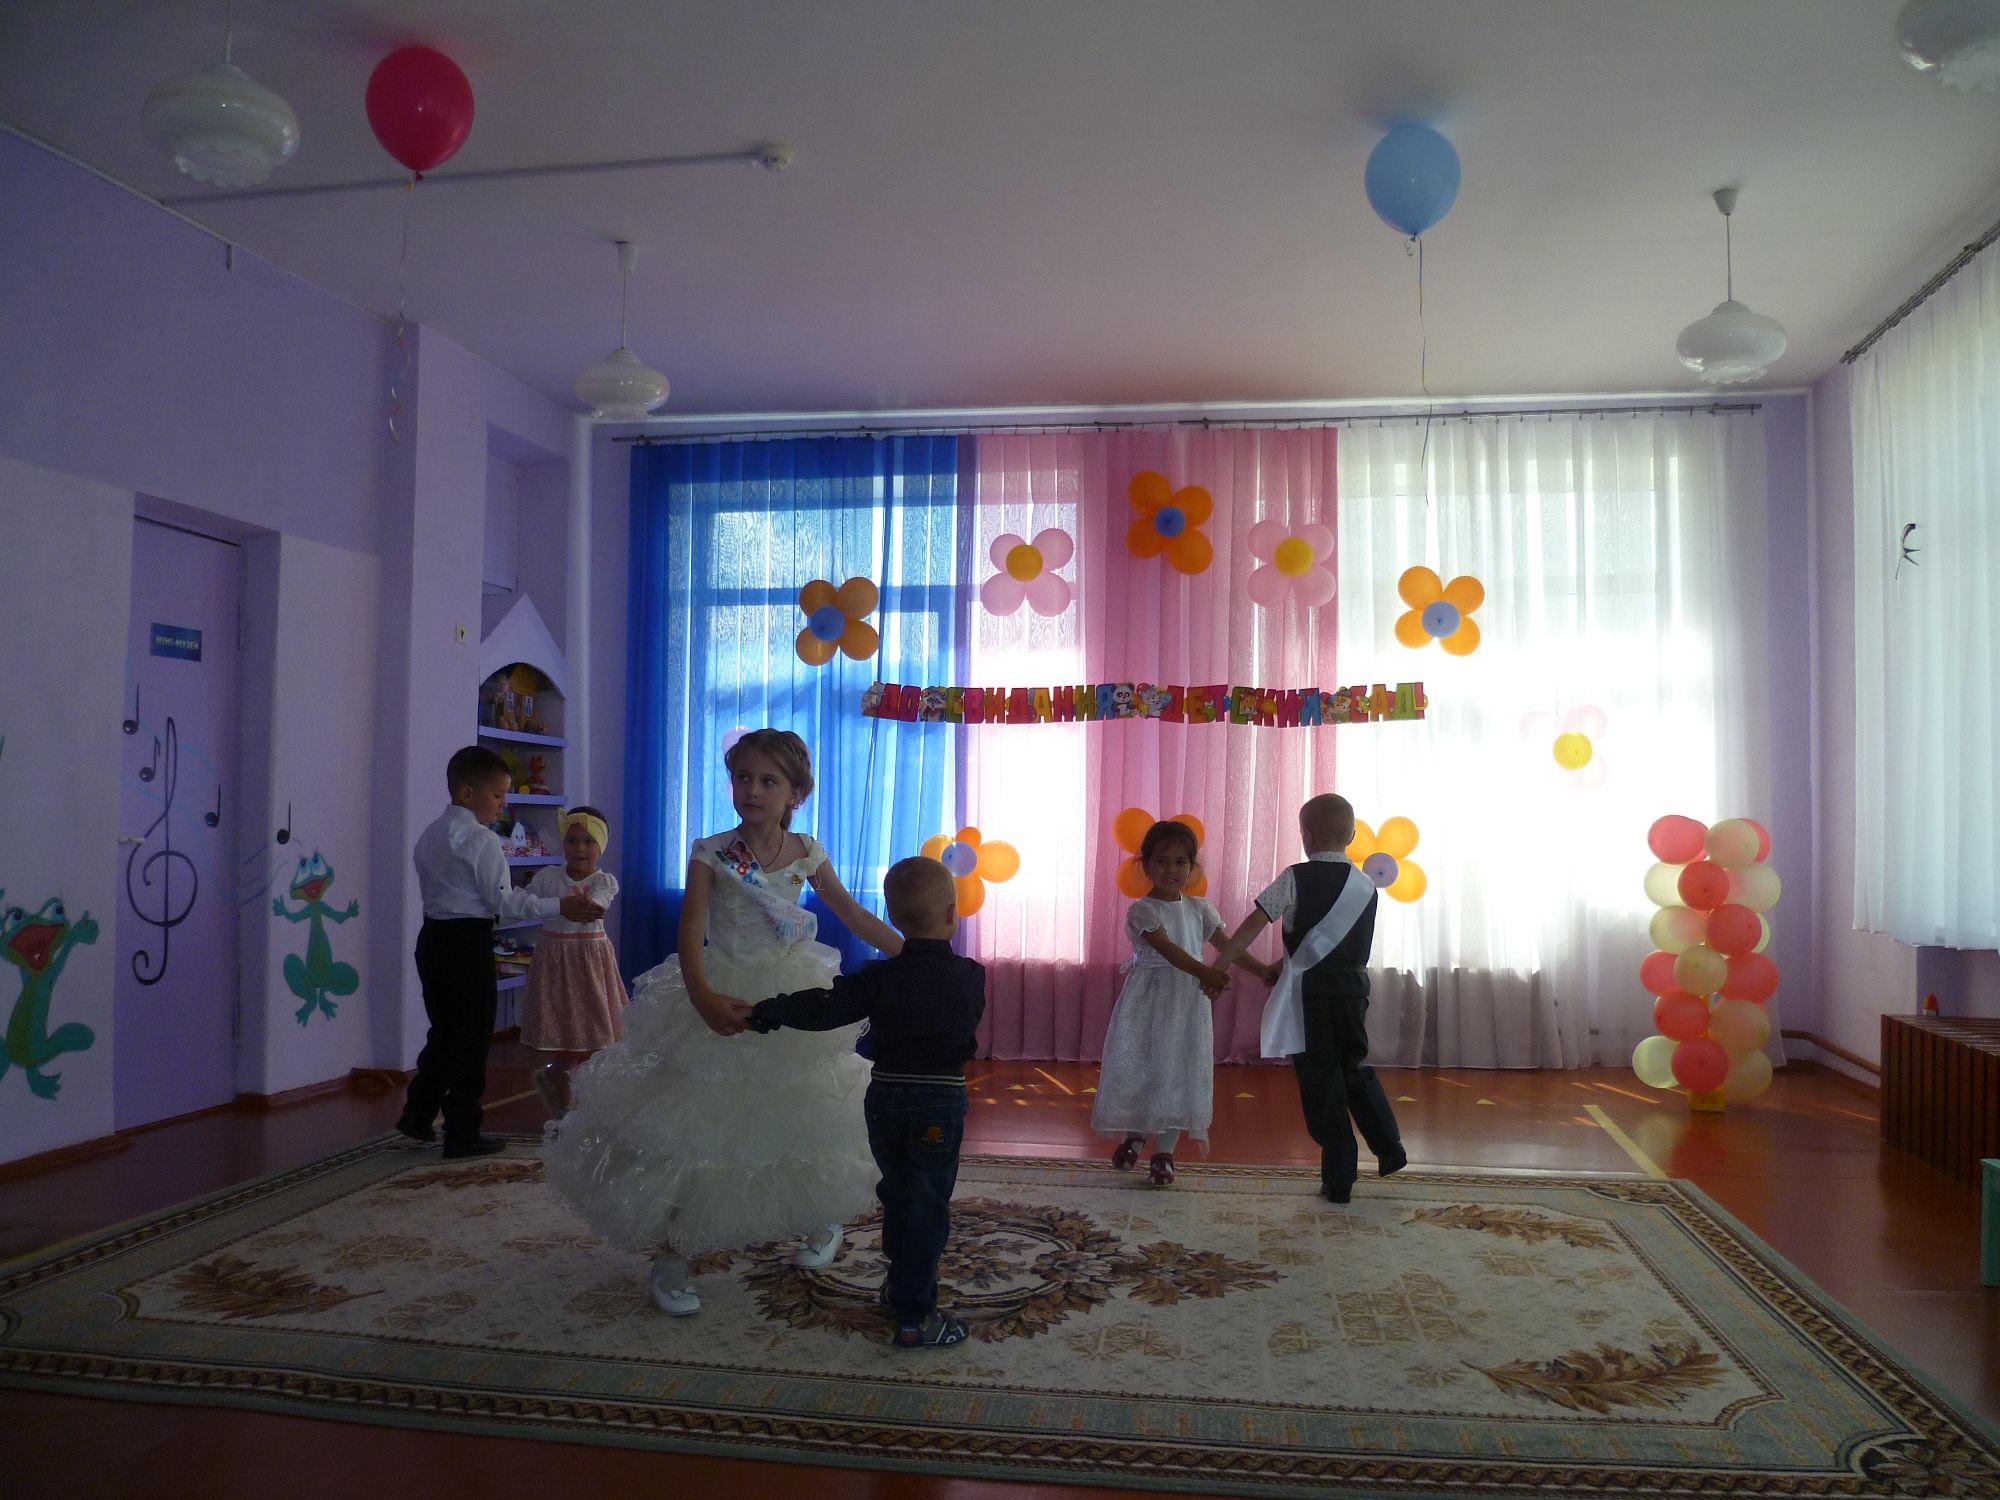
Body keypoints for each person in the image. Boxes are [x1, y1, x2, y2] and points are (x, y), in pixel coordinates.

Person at [541, 729, 900, 1316]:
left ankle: (821, 1216)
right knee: (695, 1129)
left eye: (768, 781)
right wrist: (703, 998)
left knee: (802, 1115)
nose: (752, 790)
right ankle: (672, 1256)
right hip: (720, 992)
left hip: (790, 998)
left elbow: (852, 913)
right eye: (742, 777)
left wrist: (915, 952)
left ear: (795, 794)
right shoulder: (710, 851)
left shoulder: (808, 851)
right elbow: (690, 933)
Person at [743, 855, 984, 1349]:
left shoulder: (878, 979)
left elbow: (825, 1008)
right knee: (927, 1205)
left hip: (885, 1100)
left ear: (892, 917)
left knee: (899, 1192)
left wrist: (768, 1011)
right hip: (938, 1103)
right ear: (952, 914)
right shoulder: (971, 976)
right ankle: (915, 1317)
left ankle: (899, 1285)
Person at [399, 746, 603, 1158]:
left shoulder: (429, 835)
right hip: (467, 943)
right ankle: (462, 1133)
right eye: (497, 795)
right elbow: (504, 905)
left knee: (445, 1032)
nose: (503, 804)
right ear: (467, 792)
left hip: (433, 939)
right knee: (473, 1039)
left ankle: (417, 1114)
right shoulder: (482, 841)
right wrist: (559, 906)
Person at [1213, 794, 1407, 1204]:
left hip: (1311, 997)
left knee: (1321, 1078)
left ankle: (1339, 1177)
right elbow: (1330, 946)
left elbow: (1254, 922)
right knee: (1353, 1067)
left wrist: (1222, 963)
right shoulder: (1366, 886)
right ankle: (1389, 1145)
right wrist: (1285, 965)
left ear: (1307, 835)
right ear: (1351, 837)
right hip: (1353, 992)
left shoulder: (1293, 877)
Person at [1092, 819, 1278, 1186]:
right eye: (1161, 861)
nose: (1171, 869)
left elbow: (1227, 946)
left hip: (1188, 1005)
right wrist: (1206, 973)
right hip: (1151, 1000)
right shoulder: (1143, 911)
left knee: (1180, 1069)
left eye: (1180, 862)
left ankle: (1165, 1152)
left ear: (1192, 867)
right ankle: (1136, 1134)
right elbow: (1167, 949)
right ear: (1145, 865)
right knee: (1147, 1066)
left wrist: (1261, 971)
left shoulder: (1199, 909)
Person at [523, 806, 627, 1118]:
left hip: (590, 964)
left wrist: (568, 906)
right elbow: (526, 903)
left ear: (601, 846)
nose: (579, 848)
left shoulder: (604, 882)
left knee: (593, 1035)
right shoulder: (548, 877)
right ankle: (563, 1102)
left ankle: (584, 1099)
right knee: (565, 1036)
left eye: (588, 841)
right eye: (572, 840)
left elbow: (595, 906)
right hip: (556, 963)